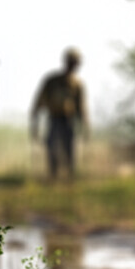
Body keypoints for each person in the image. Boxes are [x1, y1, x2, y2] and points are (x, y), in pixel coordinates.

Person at [30, 48, 89, 180]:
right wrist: (35, 118)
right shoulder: (52, 80)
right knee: (52, 146)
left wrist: (85, 124)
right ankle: (53, 174)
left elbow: (81, 106)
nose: (73, 66)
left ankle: (69, 176)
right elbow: (40, 99)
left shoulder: (77, 84)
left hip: (69, 119)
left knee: (69, 148)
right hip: (54, 118)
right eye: (71, 62)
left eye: (75, 63)